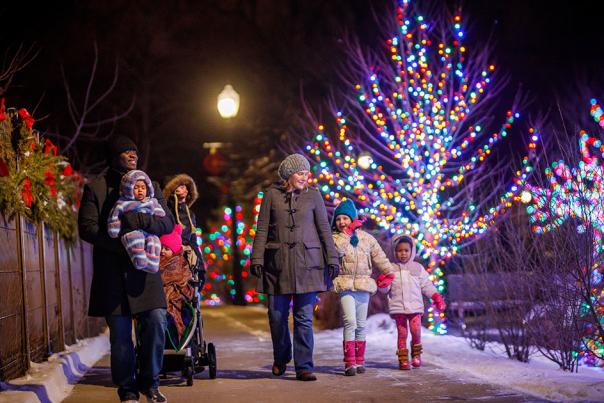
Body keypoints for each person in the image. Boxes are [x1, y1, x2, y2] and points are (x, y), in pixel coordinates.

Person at [78, 136, 174, 403]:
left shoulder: (149, 184)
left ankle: (151, 383)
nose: (133, 155)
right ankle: (127, 389)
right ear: (113, 156)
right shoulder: (96, 188)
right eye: (126, 152)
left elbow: (167, 223)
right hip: (113, 275)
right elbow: (87, 228)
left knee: (156, 322)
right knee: (120, 337)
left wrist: (141, 220)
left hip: (146, 275)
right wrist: (123, 244)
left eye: (134, 151)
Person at [250, 153, 340, 381]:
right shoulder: (271, 195)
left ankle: (304, 366)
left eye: (307, 172)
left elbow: (324, 229)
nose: (305, 176)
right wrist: (257, 258)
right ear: (289, 174)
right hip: (277, 265)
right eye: (301, 172)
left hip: (308, 264)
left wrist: (332, 258)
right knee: (276, 316)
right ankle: (281, 357)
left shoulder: (314, 197)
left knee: (303, 318)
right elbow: (261, 229)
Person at [331, 199, 394, 376]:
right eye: (338, 219)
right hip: (345, 285)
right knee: (350, 322)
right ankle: (349, 362)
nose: (342, 222)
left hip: (363, 285)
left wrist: (388, 273)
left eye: (345, 218)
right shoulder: (335, 239)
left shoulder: (367, 239)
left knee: (361, 324)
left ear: (353, 218)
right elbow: (337, 253)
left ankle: (360, 361)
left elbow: (380, 257)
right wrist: (347, 235)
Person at [376, 234, 446, 370]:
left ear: (412, 251)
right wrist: (382, 284)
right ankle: (403, 359)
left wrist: (436, 297)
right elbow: (385, 290)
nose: (403, 253)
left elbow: (427, 285)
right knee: (402, 334)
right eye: (399, 250)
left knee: (416, 331)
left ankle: (416, 355)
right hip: (399, 308)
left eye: (406, 250)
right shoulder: (390, 268)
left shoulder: (418, 268)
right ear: (395, 252)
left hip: (415, 308)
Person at [107, 170, 165, 273]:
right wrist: (114, 230)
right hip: (131, 231)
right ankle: (139, 260)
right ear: (128, 188)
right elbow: (114, 216)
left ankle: (152, 264)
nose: (140, 191)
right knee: (135, 238)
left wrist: (157, 213)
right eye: (136, 187)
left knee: (154, 240)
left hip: (148, 231)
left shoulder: (151, 201)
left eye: (143, 188)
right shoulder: (123, 203)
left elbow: (160, 213)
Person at [159, 225, 194, 341]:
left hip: (176, 295)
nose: (162, 251)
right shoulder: (158, 260)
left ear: (174, 251)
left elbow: (175, 275)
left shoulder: (177, 262)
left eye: (167, 249)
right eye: (161, 247)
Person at [162, 174, 199, 246]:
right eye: (179, 185)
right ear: (172, 190)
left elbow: (193, 239)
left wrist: (198, 255)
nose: (184, 187)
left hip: (185, 251)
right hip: (169, 249)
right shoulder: (166, 211)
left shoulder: (190, 214)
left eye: (185, 186)